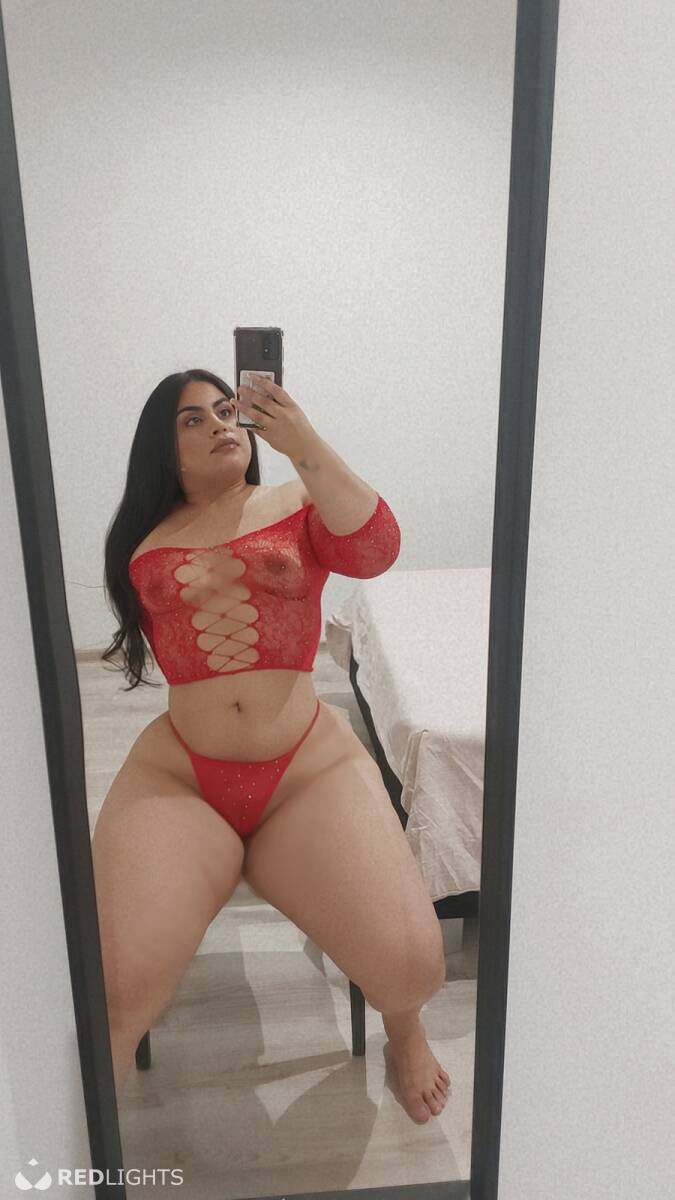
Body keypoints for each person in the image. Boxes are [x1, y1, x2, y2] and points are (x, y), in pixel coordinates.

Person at [94, 367, 451, 1124]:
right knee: (110, 992)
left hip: (305, 770)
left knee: (413, 967)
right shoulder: (141, 541)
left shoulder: (295, 501)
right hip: (182, 776)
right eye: (192, 419)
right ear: (161, 448)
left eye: (226, 410)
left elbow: (375, 548)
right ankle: (85, 1137)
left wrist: (302, 441)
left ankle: (406, 1031)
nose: (220, 424)